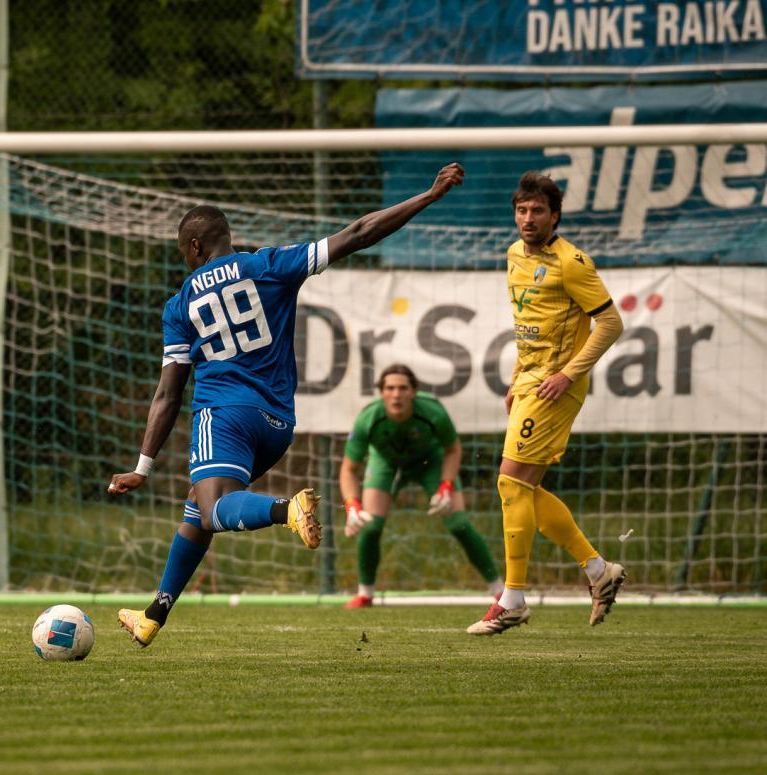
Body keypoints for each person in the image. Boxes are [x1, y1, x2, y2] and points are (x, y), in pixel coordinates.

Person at [108, 163, 466, 647]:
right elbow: (359, 232)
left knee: (214, 509)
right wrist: (428, 194)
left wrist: (143, 465)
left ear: (194, 247)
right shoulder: (270, 265)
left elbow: (169, 392)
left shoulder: (181, 303)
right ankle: (154, 613)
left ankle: (286, 509)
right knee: (199, 505)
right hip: (277, 424)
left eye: (183, 253)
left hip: (223, 413)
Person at [467, 172, 625, 636]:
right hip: (531, 380)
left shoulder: (572, 263)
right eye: (522, 210)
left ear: (554, 216)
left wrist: (567, 373)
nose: (528, 218)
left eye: (537, 211)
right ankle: (598, 571)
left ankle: (513, 600)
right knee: (523, 490)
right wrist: (519, 377)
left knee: (510, 483)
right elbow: (528, 324)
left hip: (558, 385)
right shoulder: (513, 255)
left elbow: (611, 324)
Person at [340, 363, 503, 607]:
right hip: (386, 464)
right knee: (370, 526)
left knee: (459, 523)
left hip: (431, 463)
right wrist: (351, 506)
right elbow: (348, 469)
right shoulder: (368, 418)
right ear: (382, 392)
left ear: (413, 392)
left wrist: (446, 485)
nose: (396, 394)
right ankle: (365, 593)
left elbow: (453, 448)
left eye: (403, 388)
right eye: (390, 388)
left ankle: (500, 591)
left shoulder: (433, 412)